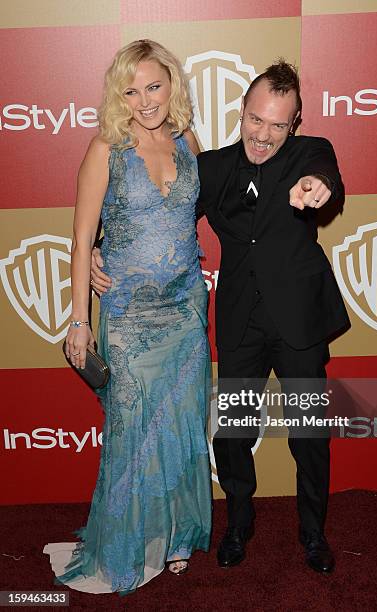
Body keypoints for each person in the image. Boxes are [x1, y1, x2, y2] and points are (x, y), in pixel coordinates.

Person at [91, 60, 349, 574]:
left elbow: (327, 180)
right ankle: (238, 524)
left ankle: (313, 533)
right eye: (257, 120)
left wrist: (318, 187)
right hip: (240, 322)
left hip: (298, 319)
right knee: (232, 433)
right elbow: (153, 213)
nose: (264, 134)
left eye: (278, 124)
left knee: (309, 434)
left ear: (294, 123)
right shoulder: (212, 168)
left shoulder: (311, 152)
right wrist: (102, 245)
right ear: (242, 112)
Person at [44, 39, 212, 594]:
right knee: (133, 431)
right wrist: (77, 319)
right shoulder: (105, 150)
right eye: (131, 90)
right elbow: (79, 238)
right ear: (119, 96)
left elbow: (196, 213)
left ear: (172, 83)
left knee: (182, 426)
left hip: (186, 309)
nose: (145, 101)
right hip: (130, 318)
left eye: (154, 86)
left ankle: (177, 537)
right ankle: (129, 539)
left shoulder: (188, 140)